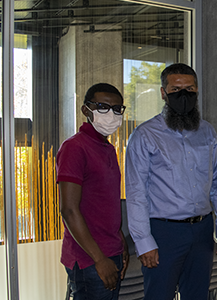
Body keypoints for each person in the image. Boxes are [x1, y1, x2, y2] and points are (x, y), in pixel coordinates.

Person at [125, 63, 217, 300]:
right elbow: (136, 192)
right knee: (159, 295)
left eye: (189, 89)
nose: (183, 95)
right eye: (175, 89)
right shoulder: (145, 135)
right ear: (163, 93)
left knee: (198, 295)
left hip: (202, 230)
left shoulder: (208, 132)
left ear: (197, 90)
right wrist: (143, 241)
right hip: (164, 232)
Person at [57, 83, 129, 300]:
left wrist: (120, 242)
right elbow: (69, 210)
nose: (111, 114)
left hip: (111, 251)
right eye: (102, 107)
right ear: (86, 110)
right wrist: (99, 259)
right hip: (90, 258)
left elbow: (105, 204)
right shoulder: (75, 147)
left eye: (117, 109)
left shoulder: (107, 148)